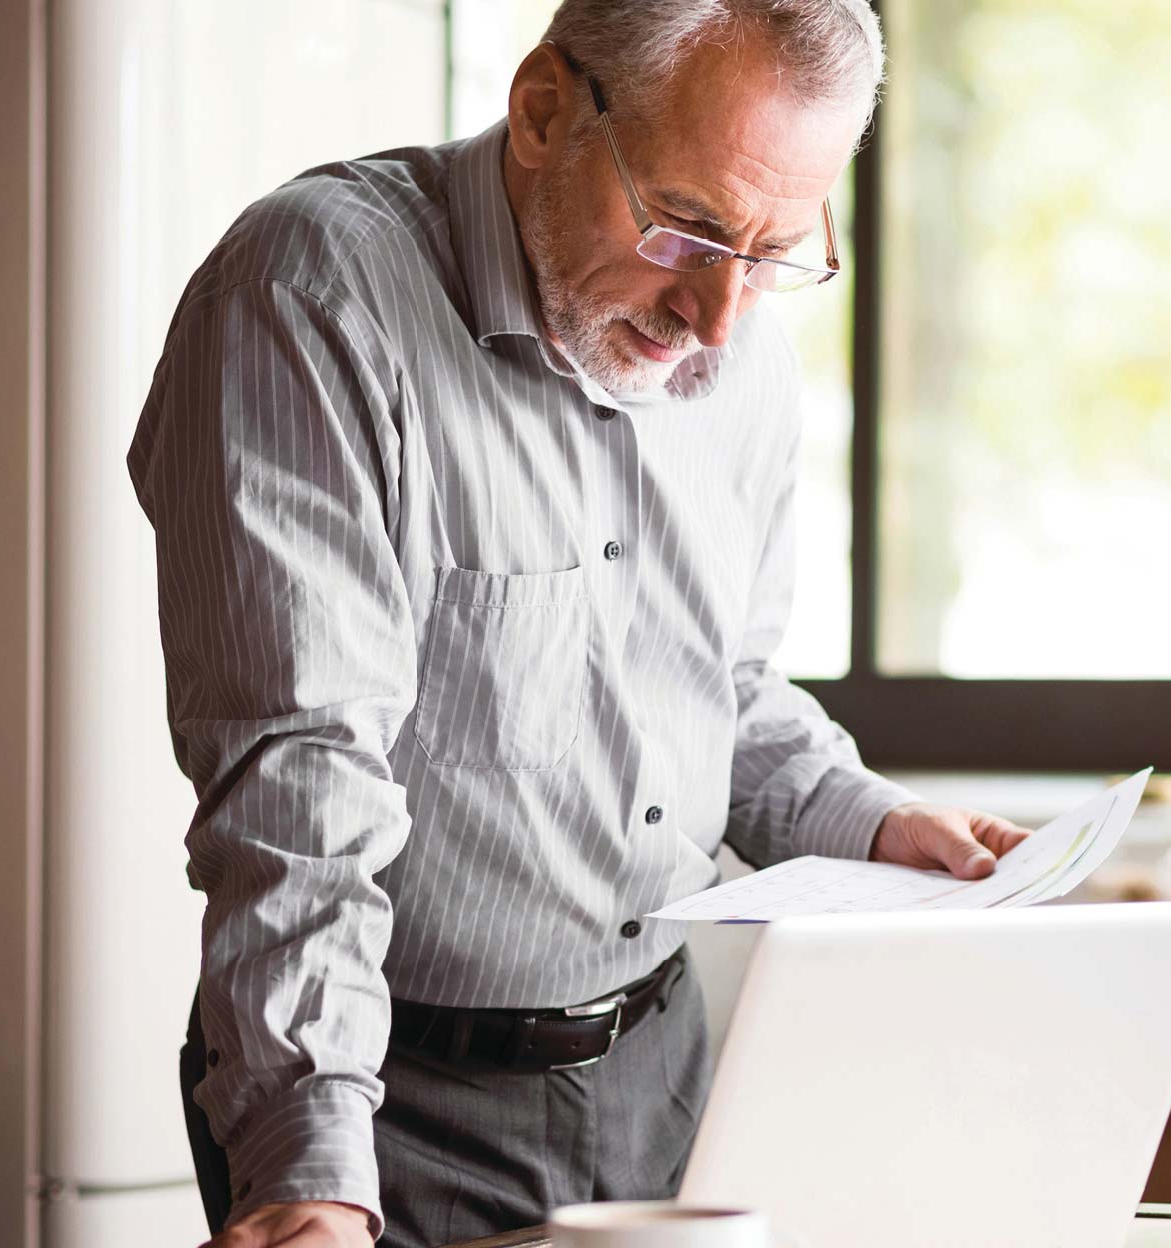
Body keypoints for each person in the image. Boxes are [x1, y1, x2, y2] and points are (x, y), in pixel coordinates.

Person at [129, 4, 1026, 1245]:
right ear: (546, 108)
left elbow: (721, 685)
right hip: (393, 1111)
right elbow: (298, 778)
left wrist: (869, 817)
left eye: (771, 256)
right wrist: (308, 1165)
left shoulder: (738, 357)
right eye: (687, 227)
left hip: (666, 1085)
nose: (716, 320)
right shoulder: (312, 294)